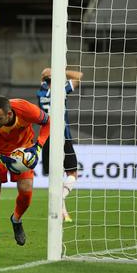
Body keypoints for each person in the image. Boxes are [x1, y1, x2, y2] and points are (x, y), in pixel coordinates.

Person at [0, 95, 49, 257]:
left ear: (9, 114)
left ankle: (16, 219)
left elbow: (48, 122)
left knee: (26, 191)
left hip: (23, 152)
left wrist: (39, 146)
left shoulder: (26, 109)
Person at [37, 67, 83, 223]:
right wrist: (60, 69)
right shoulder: (61, 90)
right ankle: (61, 198)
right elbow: (79, 76)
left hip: (47, 138)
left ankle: (62, 212)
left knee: (54, 178)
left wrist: (48, 74)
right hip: (63, 136)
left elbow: (43, 79)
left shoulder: (41, 93)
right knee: (72, 174)